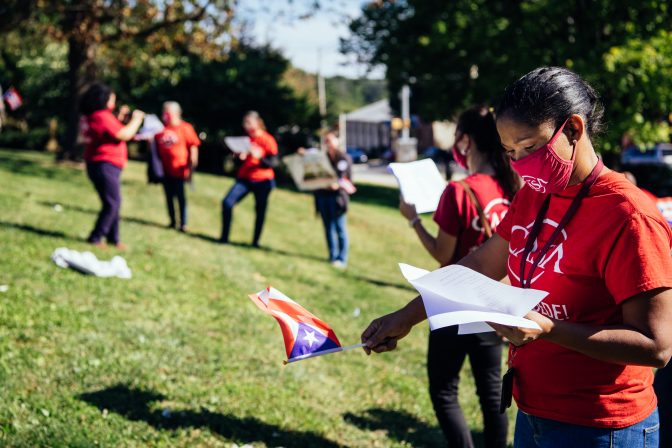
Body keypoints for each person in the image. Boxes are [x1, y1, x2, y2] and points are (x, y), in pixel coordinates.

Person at [361, 67, 672, 448]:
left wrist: (548, 329)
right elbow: (477, 264)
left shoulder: (629, 215)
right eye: (509, 151)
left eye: (529, 147)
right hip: (533, 411)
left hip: (601, 426)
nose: (520, 162)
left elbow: (657, 346)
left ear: (573, 129)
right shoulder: (534, 195)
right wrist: (406, 317)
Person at [398, 106, 518, 448]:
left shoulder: (459, 190)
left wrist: (413, 220)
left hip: (452, 302)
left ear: (465, 141)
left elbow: (443, 254)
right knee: (492, 391)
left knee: (444, 389)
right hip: (494, 301)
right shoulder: (511, 186)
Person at [80, 82, 144, 249]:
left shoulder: (97, 116)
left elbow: (112, 131)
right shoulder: (101, 115)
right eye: (112, 99)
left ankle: (114, 239)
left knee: (112, 201)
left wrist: (121, 119)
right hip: (104, 164)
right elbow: (124, 134)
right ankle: (96, 237)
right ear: (104, 99)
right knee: (113, 203)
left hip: (101, 164)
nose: (114, 103)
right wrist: (137, 120)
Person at [220, 111, 278, 247]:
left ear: (258, 123)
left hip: (263, 181)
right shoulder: (246, 140)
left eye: (249, 123)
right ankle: (224, 238)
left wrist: (259, 157)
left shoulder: (267, 140)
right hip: (244, 179)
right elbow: (239, 162)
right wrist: (239, 158)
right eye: (245, 123)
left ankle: (255, 242)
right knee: (227, 203)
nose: (246, 126)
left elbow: (273, 163)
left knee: (260, 211)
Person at [155, 101, 201, 232]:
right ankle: (172, 221)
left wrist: (191, 170)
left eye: (168, 112)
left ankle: (183, 223)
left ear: (177, 113)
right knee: (169, 197)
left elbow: (193, 149)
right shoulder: (161, 129)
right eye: (164, 112)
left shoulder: (186, 128)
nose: (166, 115)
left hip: (180, 171)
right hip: (165, 171)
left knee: (180, 198)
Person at [313, 131, 353, 269]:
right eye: (325, 140)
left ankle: (342, 259)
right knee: (328, 227)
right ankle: (332, 255)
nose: (327, 143)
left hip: (337, 198)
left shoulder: (343, 158)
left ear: (337, 141)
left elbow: (343, 177)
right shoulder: (322, 157)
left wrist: (336, 183)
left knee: (340, 228)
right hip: (323, 196)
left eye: (330, 140)